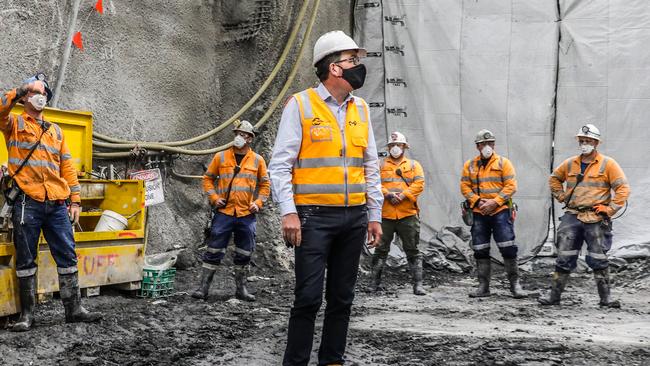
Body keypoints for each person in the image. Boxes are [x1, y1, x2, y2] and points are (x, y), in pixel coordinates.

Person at [268, 30, 383, 366]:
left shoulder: (360, 108)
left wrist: (374, 214)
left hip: (354, 218)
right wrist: (289, 213)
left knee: (342, 298)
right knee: (307, 298)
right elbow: (279, 166)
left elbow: (371, 165)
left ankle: (332, 360)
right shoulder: (301, 105)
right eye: (352, 61)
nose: (357, 66)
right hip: (313, 218)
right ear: (334, 69)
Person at [0, 74, 102, 331]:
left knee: (67, 254)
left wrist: (75, 200)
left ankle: (74, 309)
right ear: (25, 97)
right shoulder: (12, 123)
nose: (41, 95)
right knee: (26, 259)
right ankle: (27, 316)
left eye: (44, 92)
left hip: (57, 203)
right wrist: (23, 87)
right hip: (27, 201)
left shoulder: (56, 131)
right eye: (36, 91)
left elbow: (67, 167)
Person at [539, 124, 629, 307]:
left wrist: (610, 209)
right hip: (572, 215)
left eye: (588, 141)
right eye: (581, 141)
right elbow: (554, 179)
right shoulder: (570, 163)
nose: (584, 144)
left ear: (596, 143)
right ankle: (554, 297)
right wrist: (561, 195)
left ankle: (606, 299)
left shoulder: (608, 164)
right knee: (564, 256)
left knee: (598, 258)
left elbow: (623, 188)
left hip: (595, 218)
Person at [192, 120, 270, 302]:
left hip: (246, 214)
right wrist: (213, 198)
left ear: (250, 138)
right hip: (224, 212)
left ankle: (241, 290)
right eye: (237, 134)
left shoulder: (258, 160)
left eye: (243, 135)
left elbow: (265, 185)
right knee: (214, 249)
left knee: (244, 251)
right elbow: (208, 179)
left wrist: (258, 203)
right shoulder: (221, 157)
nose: (239, 137)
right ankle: (203, 288)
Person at [460, 129, 526, 298]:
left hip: (500, 212)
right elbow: (464, 186)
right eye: (484, 144)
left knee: (508, 248)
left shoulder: (504, 163)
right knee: (480, 249)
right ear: (477, 146)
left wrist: (494, 202)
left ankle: (515, 286)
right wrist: (476, 200)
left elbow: (511, 186)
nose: (488, 147)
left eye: (491, 143)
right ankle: (483, 287)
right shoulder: (470, 165)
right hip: (478, 211)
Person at [370, 131, 426, 295]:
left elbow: (419, 184)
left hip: (407, 214)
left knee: (413, 249)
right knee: (380, 250)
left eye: (399, 145)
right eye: (392, 145)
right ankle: (374, 284)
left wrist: (403, 195)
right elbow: (373, 182)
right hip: (385, 215)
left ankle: (418, 285)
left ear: (404, 147)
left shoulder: (414, 165)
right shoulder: (379, 165)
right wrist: (387, 193)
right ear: (388, 147)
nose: (395, 148)